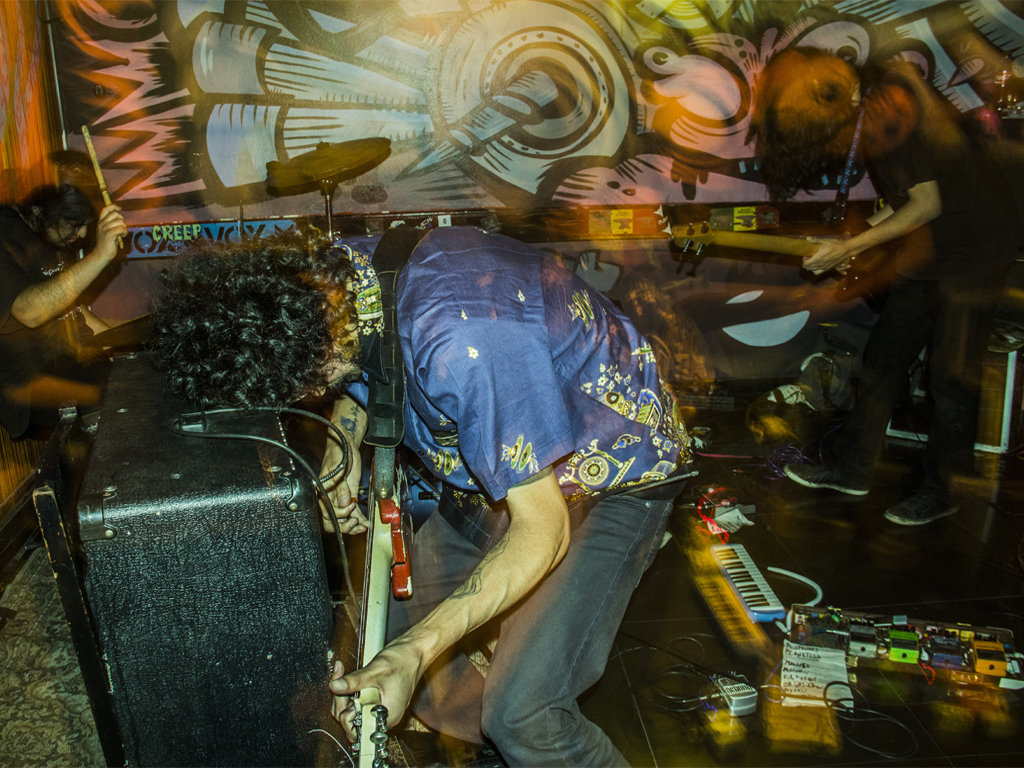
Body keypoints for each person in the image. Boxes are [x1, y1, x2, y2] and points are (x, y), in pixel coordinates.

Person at [149, 225, 693, 766]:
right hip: (499, 470)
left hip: (612, 471)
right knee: (386, 638)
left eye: (303, 387)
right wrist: (345, 444)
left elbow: (543, 529)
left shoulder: (464, 340)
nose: (310, 395)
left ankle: (534, 739)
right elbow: (362, 356)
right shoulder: (328, 285)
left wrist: (415, 654)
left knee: (523, 714)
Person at [747, 47, 1019, 525]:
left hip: (974, 253)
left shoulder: (890, 107)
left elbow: (926, 205)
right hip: (934, 251)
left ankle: (942, 491)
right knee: (883, 359)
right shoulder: (870, 112)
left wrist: (851, 247)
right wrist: (847, 243)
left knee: (949, 379)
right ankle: (852, 470)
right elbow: (906, 201)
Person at [0, 182, 128, 438]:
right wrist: (99, 255)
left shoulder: (52, 233)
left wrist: (133, 345)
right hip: (31, 383)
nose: (82, 234)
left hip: (76, 362)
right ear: (40, 210)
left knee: (139, 383)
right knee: (117, 398)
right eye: (75, 224)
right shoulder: (5, 232)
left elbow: (80, 318)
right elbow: (29, 312)